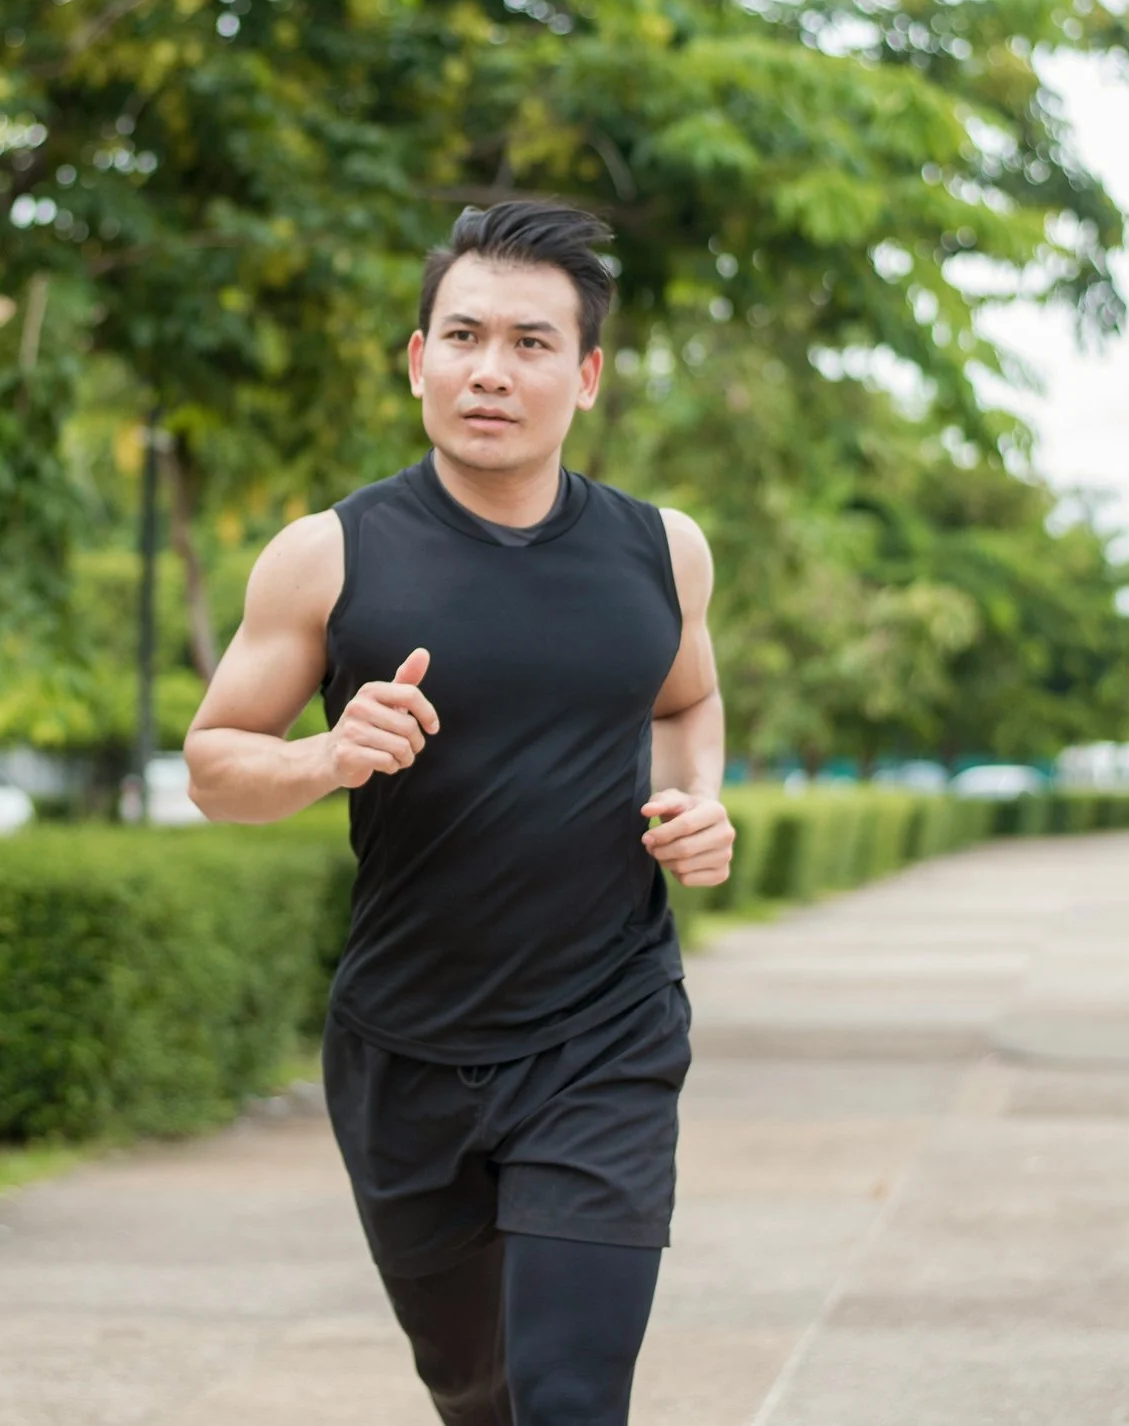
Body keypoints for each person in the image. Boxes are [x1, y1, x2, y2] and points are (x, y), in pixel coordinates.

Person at [184, 200, 733, 1425]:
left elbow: (687, 702)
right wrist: (327, 754)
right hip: (405, 1048)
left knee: (570, 1394)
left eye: (532, 343)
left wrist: (697, 802)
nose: (492, 370)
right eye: (464, 335)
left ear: (585, 375)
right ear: (417, 358)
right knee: (477, 1392)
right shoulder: (327, 555)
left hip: (606, 1028)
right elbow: (214, 761)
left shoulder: (663, 552)